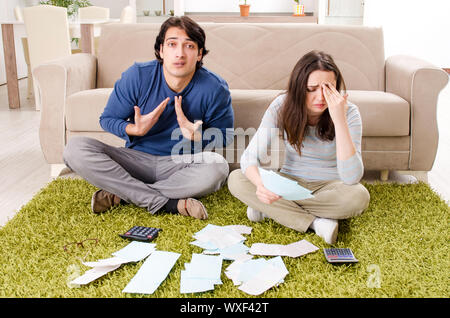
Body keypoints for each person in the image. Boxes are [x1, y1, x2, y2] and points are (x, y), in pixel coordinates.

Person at [63, 16, 234, 219]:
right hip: (135, 162)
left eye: (189, 46)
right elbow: (108, 118)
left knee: (218, 166)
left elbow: (226, 136)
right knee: (75, 148)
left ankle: (124, 195)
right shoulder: (137, 76)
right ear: (161, 50)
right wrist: (133, 129)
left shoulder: (215, 88)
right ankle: (166, 204)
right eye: (172, 44)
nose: (179, 53)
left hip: (181, 164)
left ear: (198, 54)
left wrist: (199, 136)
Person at [228, 51, 370, 244]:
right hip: (289, 182)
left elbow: (351, 177)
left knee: (359, 197)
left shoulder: (350, 112)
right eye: (311, 89)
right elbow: (249, 158)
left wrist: (339, 119)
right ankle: (316, 223)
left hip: (330, 186)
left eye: (328, 88)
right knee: (236, 178)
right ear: (298, 88)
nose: (320, 96)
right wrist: (261, 186)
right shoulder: (282, 105)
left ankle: (271, 211)